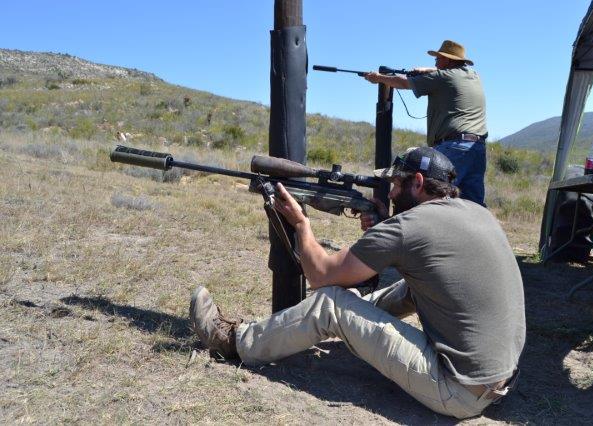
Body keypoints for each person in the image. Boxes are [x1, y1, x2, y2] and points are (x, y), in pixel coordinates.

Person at [189, 146, 525, 419]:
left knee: (331, 304)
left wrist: (302, 224)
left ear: (418, 182)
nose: (391, 192)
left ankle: (232, 342)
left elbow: (320, 275)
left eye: (396, 184)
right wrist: (385, 227)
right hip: (500, 380)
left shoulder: (408, 227)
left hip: (459, 391)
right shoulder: (476, 212)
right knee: (412, 288)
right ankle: (345, 323)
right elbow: (426, 260)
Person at [364, 40, 488, 206]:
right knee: (472, 204)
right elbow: (445, 73)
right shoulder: (473, 76)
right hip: (477, 148)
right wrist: (428, 70)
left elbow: (404, 82)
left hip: (453, 147)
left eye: (438, 59)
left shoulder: (443, 77)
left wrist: (378, 78)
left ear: (448, 60)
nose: (435, 63)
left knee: (429, 198)